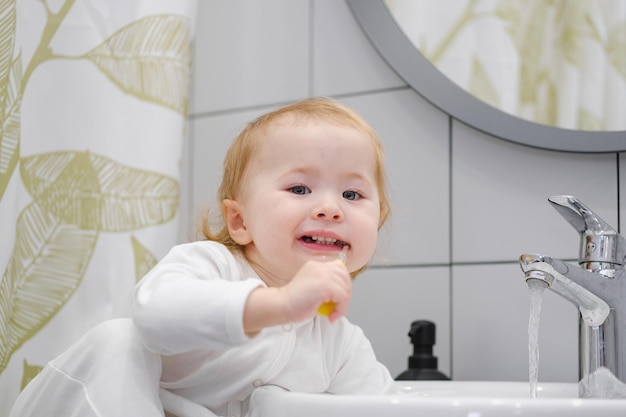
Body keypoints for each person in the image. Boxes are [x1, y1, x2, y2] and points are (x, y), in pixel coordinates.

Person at [10, 97, 394, 417]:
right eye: (299, 187)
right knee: (119, 339)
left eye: (352, 195)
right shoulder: (212, 266)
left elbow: (380, 409)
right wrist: (278, 305)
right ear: (240, 221)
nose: (330, 208)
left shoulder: (340, 341)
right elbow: (153, 315)